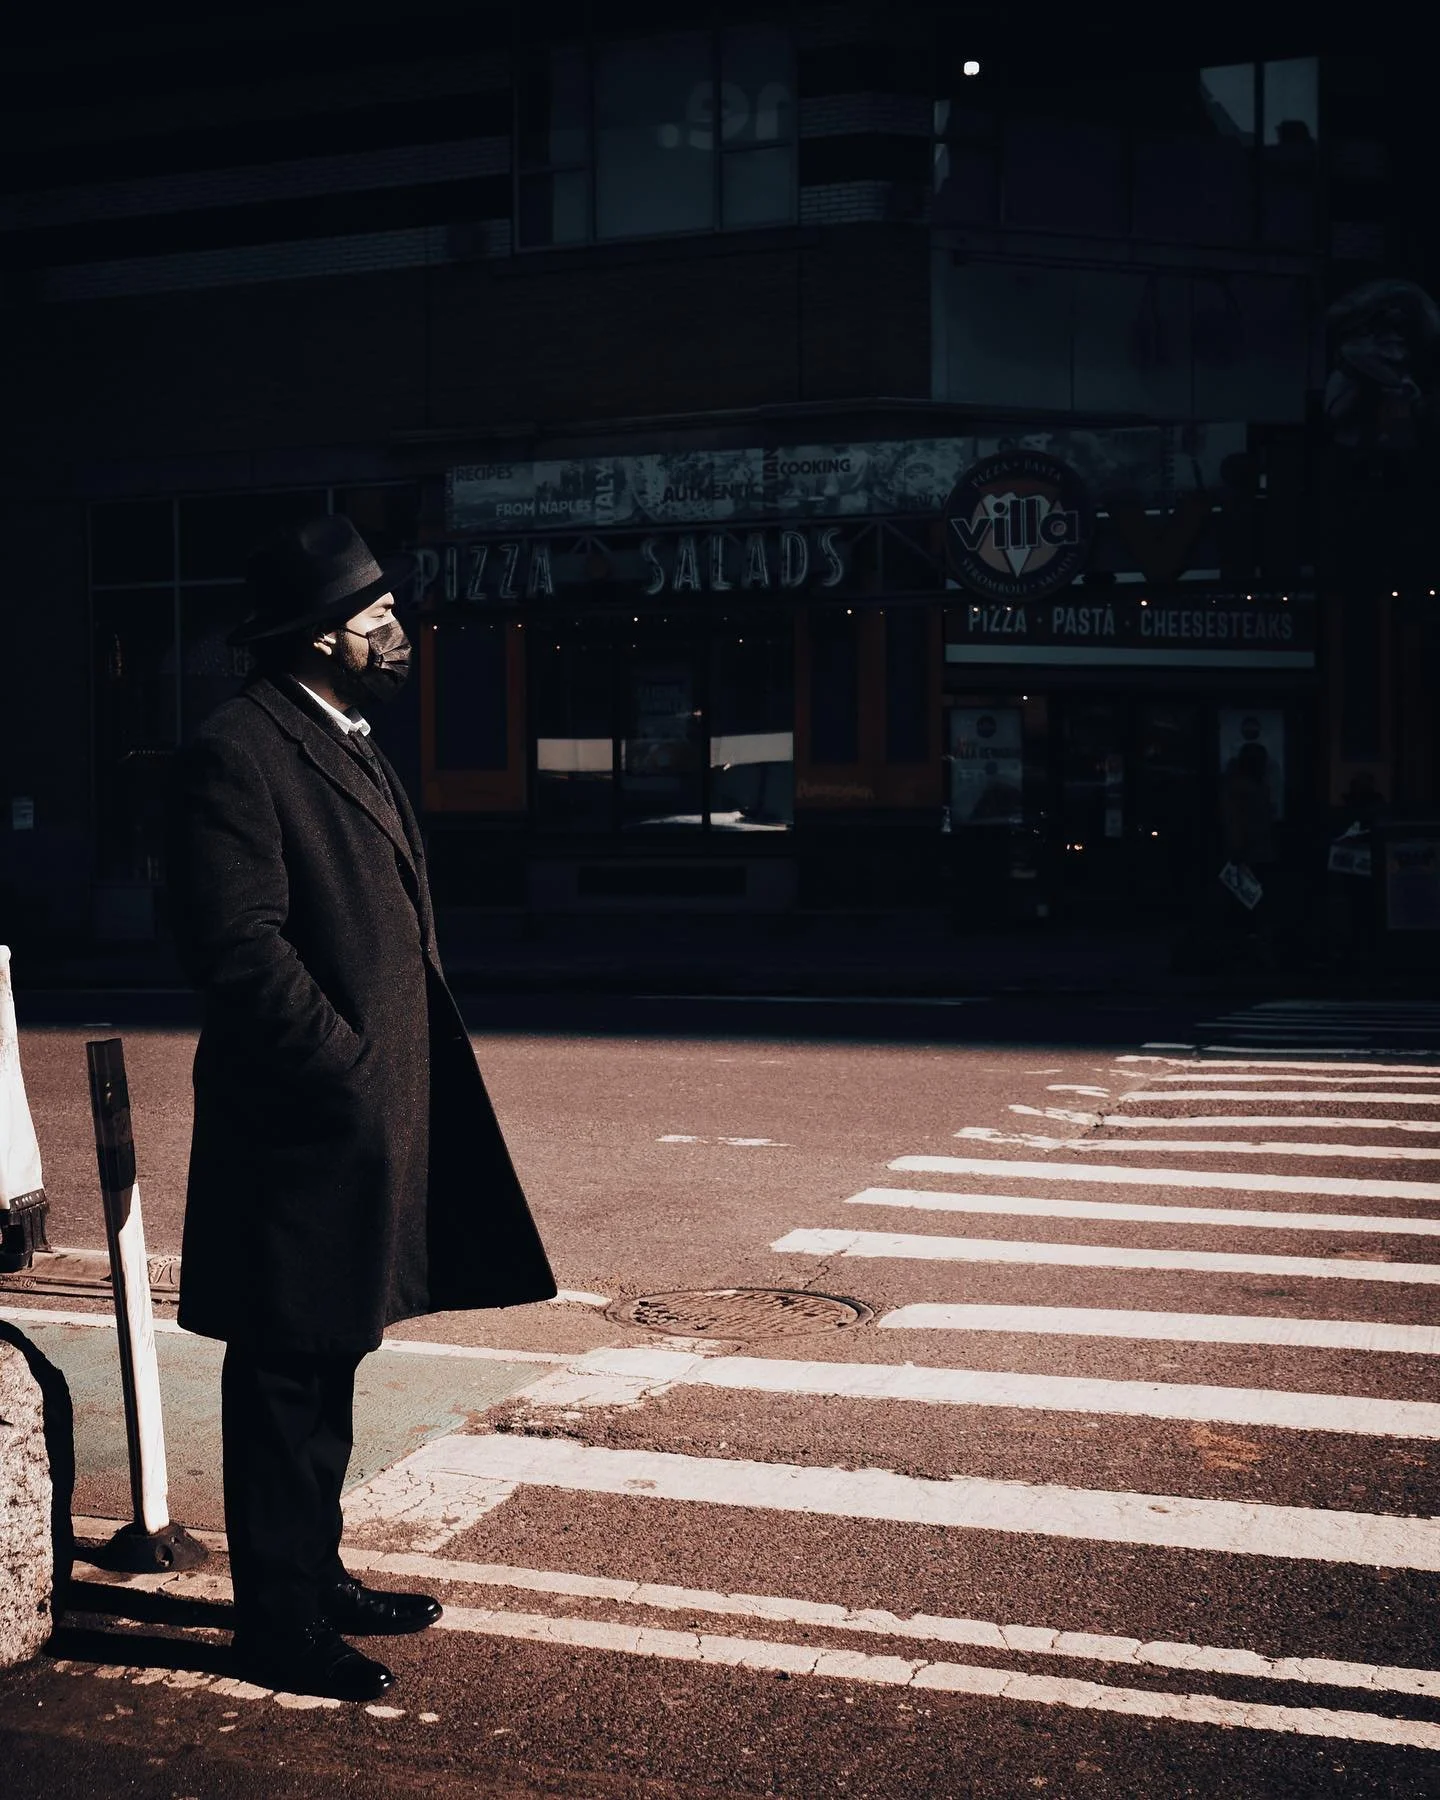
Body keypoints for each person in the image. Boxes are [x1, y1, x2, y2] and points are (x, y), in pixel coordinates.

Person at [166, 515, 556, 1702]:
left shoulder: (338, 734)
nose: (399, 631)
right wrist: (340, 1067)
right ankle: (275, 1624)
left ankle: (311, 1573)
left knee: (331, 1356)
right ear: (320, 636)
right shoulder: (241, 748)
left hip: (353, 1124)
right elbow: (233, 946)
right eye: (377, 617)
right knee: (286, 1374)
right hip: (300, 1127)